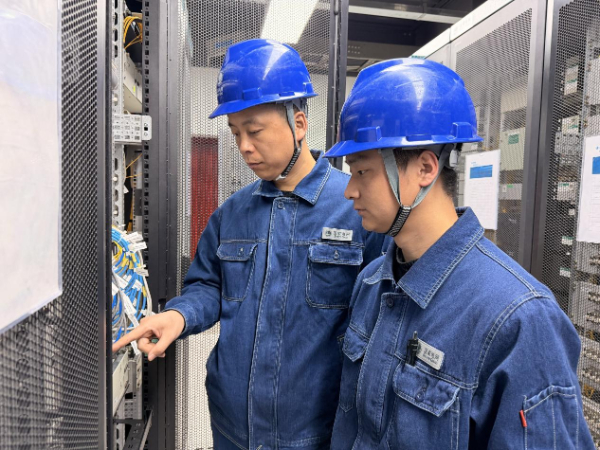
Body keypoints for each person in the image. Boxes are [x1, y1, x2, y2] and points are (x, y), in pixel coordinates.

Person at [112, 39, 387, 450]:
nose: (243, 146)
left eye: (254, 131)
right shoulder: (232, 213)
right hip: (232, 425)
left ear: (298, 124)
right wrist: (178, 317)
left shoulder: (357, 208)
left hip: (316, 430)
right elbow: (208, 285)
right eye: (235, 132)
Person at [324, 58, 595, 449]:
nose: (350, 191)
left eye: (362, 171)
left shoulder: (519, 320)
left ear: (425, 168)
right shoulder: (371, 285)